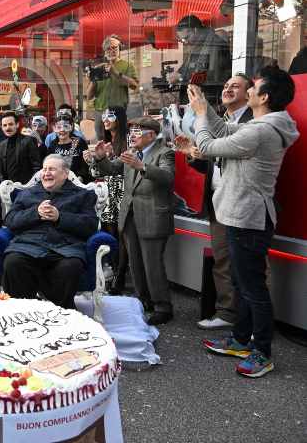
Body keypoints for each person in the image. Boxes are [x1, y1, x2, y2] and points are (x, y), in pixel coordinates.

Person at [192, 66, 299, 378]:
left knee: (253, 289)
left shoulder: (261, 131)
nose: (249, 91)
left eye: (253, 88)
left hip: (248, 217)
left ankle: (262, 352)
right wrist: (206, 107)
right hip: (243, 214)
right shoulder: (263, 125)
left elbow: (208, 147)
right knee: (243, 283)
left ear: (263, 97)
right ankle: (240, 340)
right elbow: (225, 132)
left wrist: (200, 114)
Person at [176, 74, 265, 330]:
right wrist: (193, 155)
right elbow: (214, 161)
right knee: (223, 259)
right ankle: (228, 313)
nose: (227, 89)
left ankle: (253, 326)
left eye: (235, 86)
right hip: (218, 200)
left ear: (250, 93)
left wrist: (202, 118)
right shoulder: (223, 120)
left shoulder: (255, 122)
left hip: (244, 202)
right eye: (225, 85)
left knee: (250, 268)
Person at [93, 116, 175, 325]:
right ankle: (143, 300)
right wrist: (101, 158)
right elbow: (112, 170)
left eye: (138, 132)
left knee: (152, 263)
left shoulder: (164, 152)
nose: (132, 136)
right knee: (136, 263)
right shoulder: (131, 153)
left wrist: (143, 167)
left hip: (152, 215)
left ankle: (163, 306)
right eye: (132, 132)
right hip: (129, 214)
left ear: (151, 135)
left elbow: (167, 178)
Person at [2, 155, 98, 309]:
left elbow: (90, 225)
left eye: (52, 169)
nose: (46, 173)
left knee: (71, 266)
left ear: (65, 174)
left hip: (65, 249)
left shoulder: (82, 195)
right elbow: (10, 220)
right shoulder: (27, 193)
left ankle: (61, 313)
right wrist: (35, 213)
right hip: (28, 246)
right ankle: (22, 311)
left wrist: (60, 217)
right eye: (44, 169)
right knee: (13, 262)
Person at [85, 106, 128, 294]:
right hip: (105, 192)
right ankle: (112, 272)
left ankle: (121, 275)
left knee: (121, 235)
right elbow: (96, 173)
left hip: (122, 191)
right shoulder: (105, 140)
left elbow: (119, 169)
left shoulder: (126, 140)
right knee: (109, 234)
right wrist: (92, 161)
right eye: (103, 116)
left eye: (110, 115)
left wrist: (104, 160)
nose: (105, 119)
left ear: (119, 117)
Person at [85, 35, 139, 141]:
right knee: (102, 142)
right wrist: (93, 79)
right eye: (109, 48)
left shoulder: (127, 65)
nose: (112, 51)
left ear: (119, 49)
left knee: (119, 140)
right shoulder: (99, 68)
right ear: (105, 52)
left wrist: (115, 72)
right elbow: (89, 96)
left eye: (115, 47)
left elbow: (134, 85)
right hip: (100, 111)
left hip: (118, 111)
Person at [168, 15, 231, 106]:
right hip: (197, 102)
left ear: (195, 30)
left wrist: (181, 78)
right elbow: (184, 70)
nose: (185, 42)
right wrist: (174, 76)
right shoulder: (197, 46)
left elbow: (215, 77)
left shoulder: (215, 44)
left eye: (186, 37)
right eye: (182, 40)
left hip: (209, 103)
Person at [0, 111, 42, 184]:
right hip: (8, 188)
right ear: (1, 127)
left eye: (10, 124)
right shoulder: (2, 145)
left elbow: (37, 166)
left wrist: (31, 185)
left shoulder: (28, 141)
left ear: (17, 124)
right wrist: (4, 183)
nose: (7, 128)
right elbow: (1, 169)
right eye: (4, 125)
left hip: (27, 188)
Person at [47, 114, 91, 183]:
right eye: (59, 127)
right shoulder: (53, 145)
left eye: (66, 126)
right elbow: (49, 165)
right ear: (54, 129)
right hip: (58, 182)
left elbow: (85, 165)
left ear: (71, 127)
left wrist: (80, 178)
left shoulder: (79, 142)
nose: (62, 130)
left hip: (78, 181)